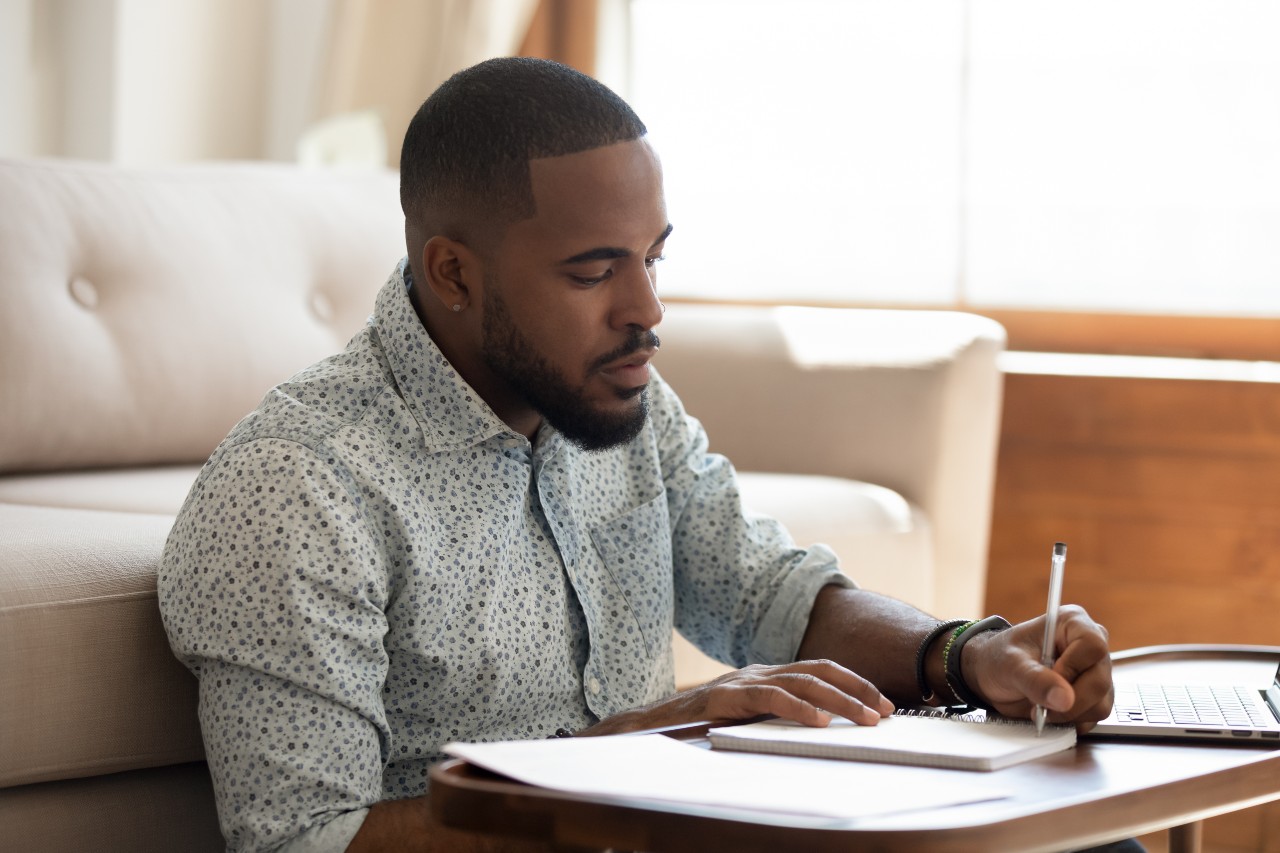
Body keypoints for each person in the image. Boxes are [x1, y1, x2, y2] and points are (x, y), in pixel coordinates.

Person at [158, 57, 1121, 853]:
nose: (646, 312)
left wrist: (965, 654)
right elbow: (302, 842)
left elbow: (768, 594)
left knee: (1074, 841)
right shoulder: (300, 485)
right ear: (453, 271)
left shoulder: (619, 399)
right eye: (593, 271)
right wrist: (620, 760)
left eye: (651, 257)